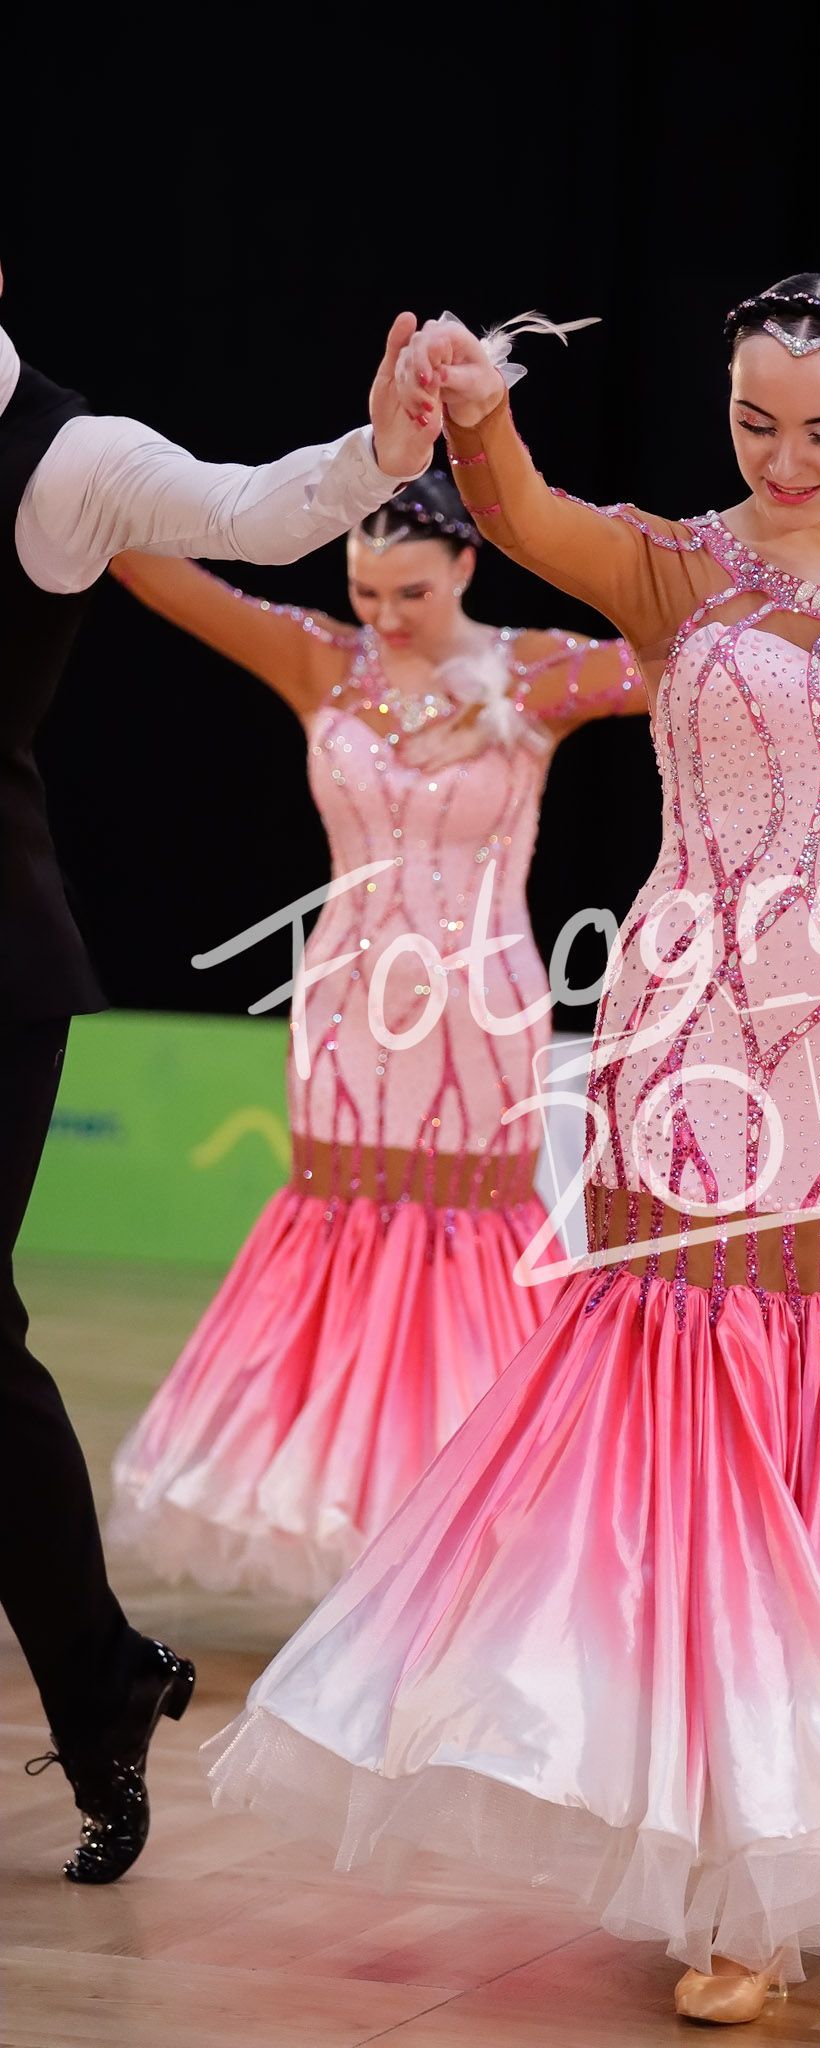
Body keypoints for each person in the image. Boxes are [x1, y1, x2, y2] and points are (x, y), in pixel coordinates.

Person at [205, 275, 820, 2025]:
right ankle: (722, 1853)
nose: (788, 457)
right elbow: (522, 512)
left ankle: (801, 1830)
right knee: (697, 1406)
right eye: (756, 422)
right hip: (693, 1028)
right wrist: (472, 401)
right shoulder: (680, 567)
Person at [1, 259, 444, 1884]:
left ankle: (99, 1683)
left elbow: (252, 510)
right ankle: (107, 1678)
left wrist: (383, 452)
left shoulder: (67, 460)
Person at [106, 470, 642, 1598]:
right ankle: (336, 1514)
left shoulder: (538, 669)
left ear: (467, 567)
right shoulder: (320, 659)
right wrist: (59, 472)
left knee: (472, 1236)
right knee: (338, 1224)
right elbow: (161, 577)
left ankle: (471, 1508)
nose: (385, 616)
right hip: (346, 1004)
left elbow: (697, 665)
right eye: (364, 590)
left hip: (481, 1007)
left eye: (411, 592)